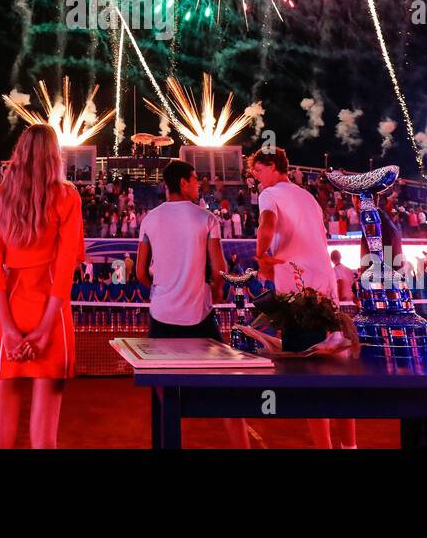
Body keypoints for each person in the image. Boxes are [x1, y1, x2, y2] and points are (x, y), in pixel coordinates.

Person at [0, 124, 83, 449]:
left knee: (0, 438)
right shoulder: (67, 196)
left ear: (19, 154)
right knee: (44, 439)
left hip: (10, 310)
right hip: (51, 314)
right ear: (55, 156)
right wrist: (44, 329)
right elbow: (66, 267)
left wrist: (9, 329)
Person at [135, 160, 248, 448]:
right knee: (227, 388)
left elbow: (139, 272)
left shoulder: (150, 219)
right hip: (199, 315)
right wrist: (216, 289)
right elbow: (219, 267)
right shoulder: (206, 218)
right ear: (183, 182)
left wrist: (159, 289)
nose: (199, 184)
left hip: (162, 315)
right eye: (196, 179)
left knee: (162, 391)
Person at [250, 148, 353, 449]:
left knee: (310, 379)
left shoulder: (269, 195)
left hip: (299, 295)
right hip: (326, 291)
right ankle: (350, 446)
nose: (255, 176)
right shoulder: (308, 197)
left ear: (272, 166)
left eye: (258, 170)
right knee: (338, 374)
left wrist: (261, 255)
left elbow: (267, 224)